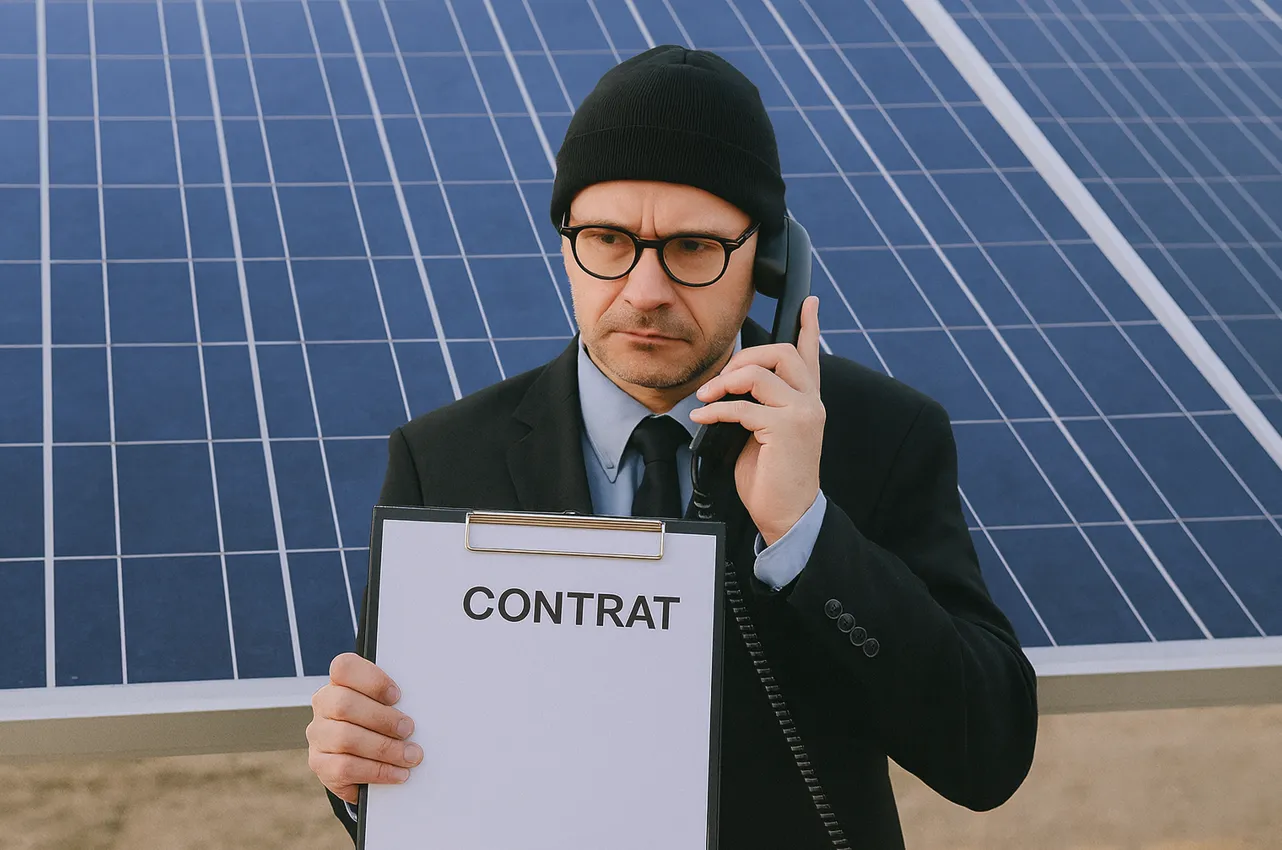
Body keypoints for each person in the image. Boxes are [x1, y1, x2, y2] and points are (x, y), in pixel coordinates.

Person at [305, 45, 1038, 849]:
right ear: (564, 241)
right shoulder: (440, 457)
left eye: (693, 248)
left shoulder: (881, 434)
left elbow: (988, 754)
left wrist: (806, 530)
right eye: (608, 239)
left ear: (766, 259)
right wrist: (361, 777)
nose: (644, 290)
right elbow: (417, 758)